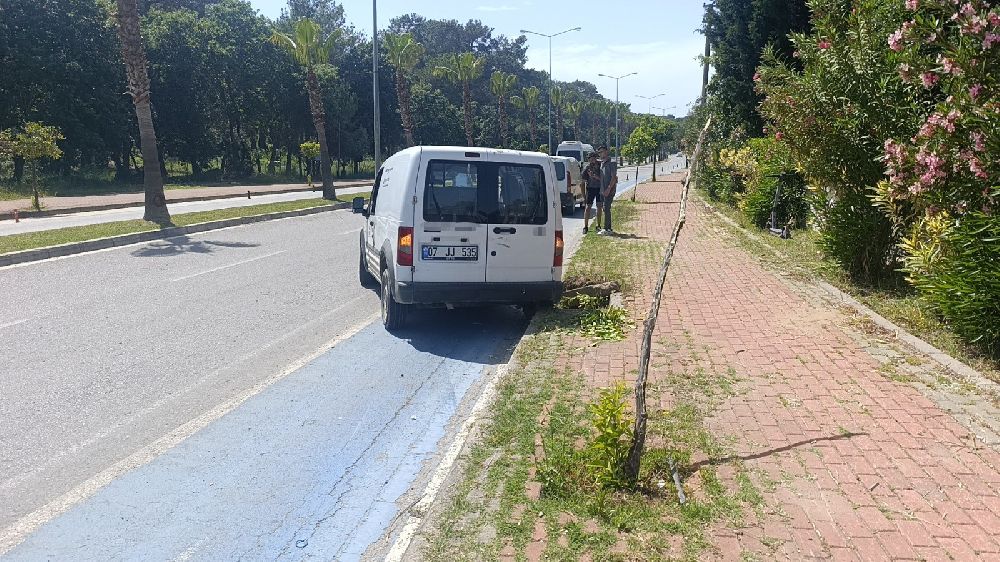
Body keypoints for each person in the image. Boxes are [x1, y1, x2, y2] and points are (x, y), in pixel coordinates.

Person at [598, 146, 618, 234]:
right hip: (603, 190)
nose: (600, 154)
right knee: (605, 209)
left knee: (607, 208)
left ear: (606, 152)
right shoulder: (602, 163)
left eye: (601, 152)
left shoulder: (612, 163)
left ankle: (607, 229)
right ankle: (607, 228)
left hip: (609, 190)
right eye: (599, 152)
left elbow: (614, 177)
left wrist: (608, 189)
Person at [582, 153, 603, 234]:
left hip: (599, 188)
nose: (592, 160)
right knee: (587, 208)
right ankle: (585, 227)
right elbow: (582, 182)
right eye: (590, 158)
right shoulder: (587, 168)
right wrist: (584, 196)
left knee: (599, 207)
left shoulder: (601, 166)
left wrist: (594, 176)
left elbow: (603, 179)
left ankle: (598, 225)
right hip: (590, 189)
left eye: (593, 158)